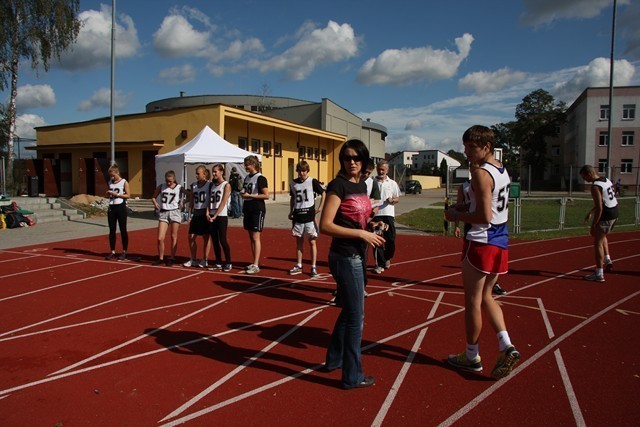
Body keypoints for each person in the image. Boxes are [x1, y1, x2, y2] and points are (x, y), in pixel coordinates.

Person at [444, 125, 520, 380]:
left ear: (485, 146)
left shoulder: (480, 173)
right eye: (465, 146)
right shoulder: (502, 170)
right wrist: (464, 205)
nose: (466, 152)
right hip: (500, 241)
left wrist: (456, 214)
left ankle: (471, 355)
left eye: (470, 147)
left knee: (472, 302)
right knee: (487, 296)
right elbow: (488, 206)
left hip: (480, 241)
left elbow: (484, 216)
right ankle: (506, 344)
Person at [320, 138, 386, 390]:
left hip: (358, 254)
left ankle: (334, 359)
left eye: (357, 158)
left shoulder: (361, 185)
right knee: (356, 317)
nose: (352, 162)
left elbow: (357, 217)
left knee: (349, 312)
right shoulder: (338, 186)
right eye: (347, 158)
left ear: (364, 160)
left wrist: (372, 224)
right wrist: (361, 235)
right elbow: (325, 225)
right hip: (346, 257)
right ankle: (352, 375)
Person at [454, 170, 507, 296]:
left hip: (489, 227)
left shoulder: (487, 179)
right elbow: (459, 205)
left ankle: (492, 284)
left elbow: (487, 210)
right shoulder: (464, 187)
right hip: (472, 224)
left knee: (479, 298)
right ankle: (477, 283)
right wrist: (457, 225)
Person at [580, 165, 618, 282]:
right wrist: (590, 212)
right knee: (602, 237)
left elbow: (600, 208)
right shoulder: (606, 180)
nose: (584, 180)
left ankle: (599, 273)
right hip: (615, 212)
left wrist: (593, 225)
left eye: (584, 177)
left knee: (597, 243)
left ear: (589, 174)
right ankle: (607, 260)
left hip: (606, 216)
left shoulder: (595, 187)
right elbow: (605, 200)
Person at [288, 161, 325, 277]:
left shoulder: (312, 181)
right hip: (298, 216)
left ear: (307, 171)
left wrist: (320, 208)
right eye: (300, 171)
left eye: (304, 171)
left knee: (312, 241)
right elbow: (293, 198)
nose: (302, 173)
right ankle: (299, 264)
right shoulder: (293, 183)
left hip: (309, 216)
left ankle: (313, 266)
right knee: (299, 242)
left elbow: (324, 193)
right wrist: (291, 211)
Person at [372, 160, 400, 274]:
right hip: (377, 215)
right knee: (377, 240)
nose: (381, 171)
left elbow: (397, 198)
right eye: (379, 169)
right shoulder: (373, 182)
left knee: (391, 239)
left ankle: (387, 257)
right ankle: (380, 264)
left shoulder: (392, 183)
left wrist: (392, 200)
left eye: (383, 169)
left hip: (388, 215)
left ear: (387, 170)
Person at [241, 155, 269, 274]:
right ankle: (254, 262)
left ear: (253, 164)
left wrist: (250, 196)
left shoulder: (260, 178)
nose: (245, 167)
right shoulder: (247, 177)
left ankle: (256, 264)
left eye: (247, 164)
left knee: (255, 236)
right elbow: (246, 190)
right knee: (250, 236)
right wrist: (242, 193)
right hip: (247, 207)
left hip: (257, 208)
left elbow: (266, 195)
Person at [151, 170, 183, 266]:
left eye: (170, 181)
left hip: (174, 212)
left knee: (173, 236)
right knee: (160, 238)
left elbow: (190, 195)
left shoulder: (179, 187)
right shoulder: (161, 186)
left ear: (174, 179)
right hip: (164, 213)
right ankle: (161, 258)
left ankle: (172, 257)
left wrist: (183, 202)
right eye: (167, 181)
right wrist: (156, 203)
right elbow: (153, 197)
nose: (168, 183)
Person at [183, 165, 211, 268]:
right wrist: (189, 214)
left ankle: (205, 259)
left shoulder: (209, 185)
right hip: (196, 213)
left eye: (198, 173)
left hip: (204, 213)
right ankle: (193, 259)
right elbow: (191, 200)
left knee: (206, 237)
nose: (196, 175)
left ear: (204, 174)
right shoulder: (193, 185)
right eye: (196, 173)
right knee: (191, 237)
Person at [207, 163, 233, 271]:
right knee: (214, 239)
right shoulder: (212, 185)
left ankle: (228, 262)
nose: (213, 174)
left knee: (222, 239)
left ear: (221, 172)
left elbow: (223, 202)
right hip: (212, 215)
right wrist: (207, 212)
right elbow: (209, 200)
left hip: (221, 215)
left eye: (215, 171)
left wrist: (216, 215)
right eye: (213, 172)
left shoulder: (226, 185)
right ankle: (218, 261)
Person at [105, 164, 130, 260]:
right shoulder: (110, 182)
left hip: (121, 207)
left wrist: (117, 194)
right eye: (110, 175)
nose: (112, 177)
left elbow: (128, 195)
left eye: (113, 175)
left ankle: (124, 251)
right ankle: (112, 251)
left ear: (117, 173)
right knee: (112, 230)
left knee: (123, 229)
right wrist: (110, 194)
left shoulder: (124, 182)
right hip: (112, 207)